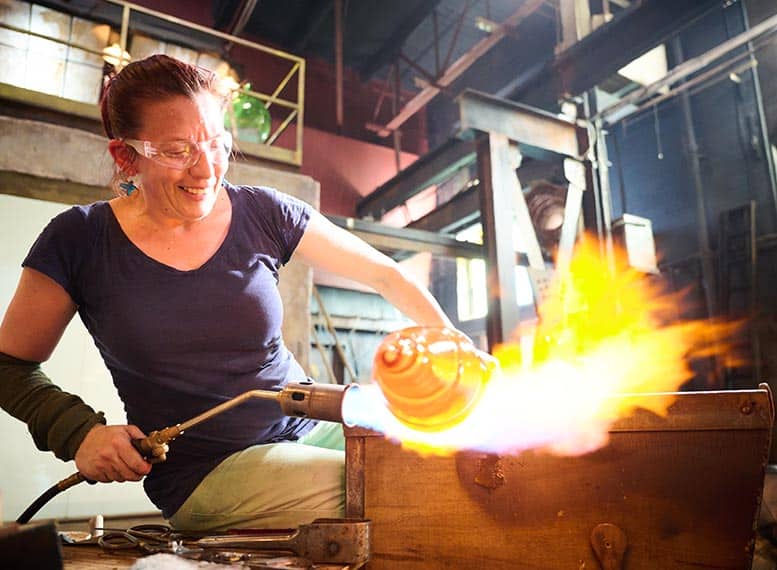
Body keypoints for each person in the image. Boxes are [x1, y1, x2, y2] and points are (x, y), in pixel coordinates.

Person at [0, 54, 454, 532]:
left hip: (310, 429)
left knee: (448, 461)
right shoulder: (79, 239)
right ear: (126, 156)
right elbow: (8, 365)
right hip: (207, 473)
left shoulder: (263, 212)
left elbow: (387, 276)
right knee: (394, 487)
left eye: (216, 144)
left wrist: (452, 350)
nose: (205, 171)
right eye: (177, 151)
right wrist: (80, 433)